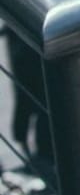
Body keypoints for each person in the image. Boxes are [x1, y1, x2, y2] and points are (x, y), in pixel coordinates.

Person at [3, 23, 52, 166]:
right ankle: (37, 147)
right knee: (36, 99)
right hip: (31, 43)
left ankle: (31, 144)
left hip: (24, 37)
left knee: (29, 99)